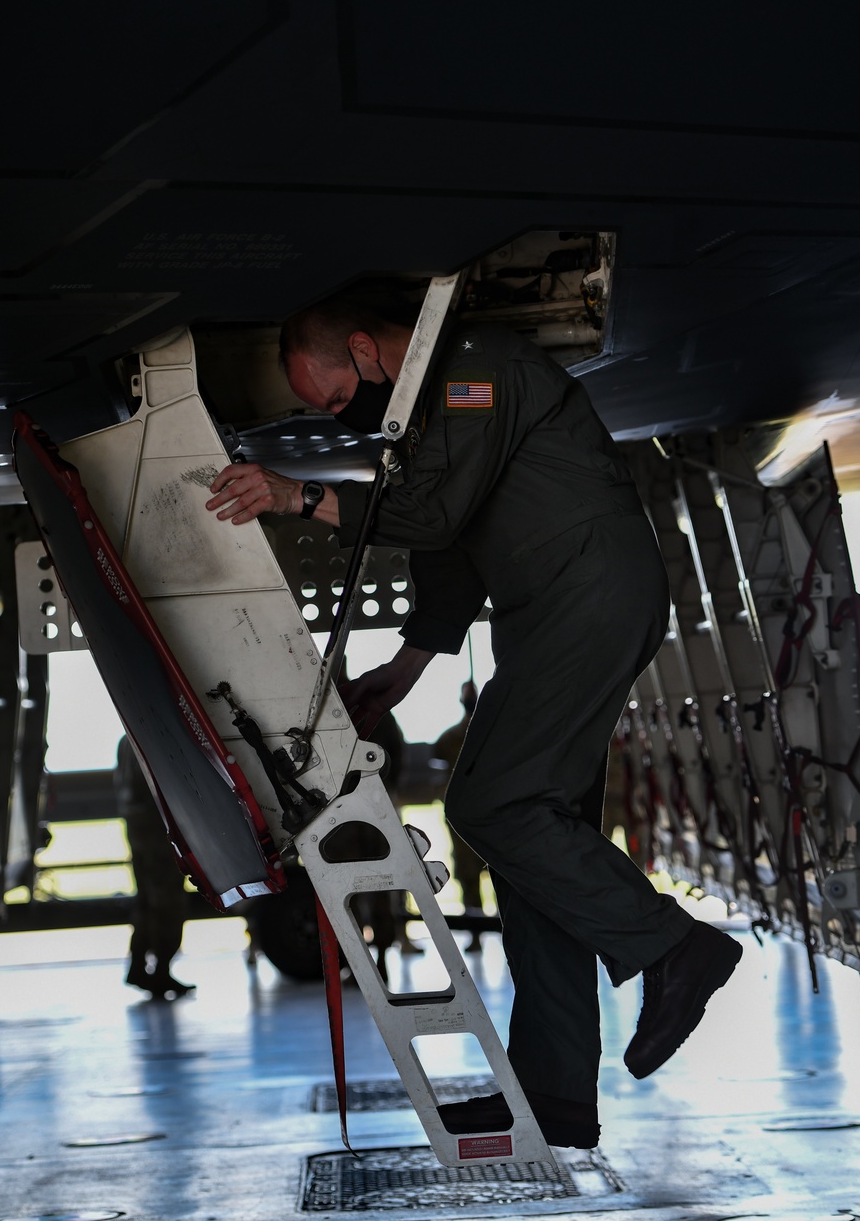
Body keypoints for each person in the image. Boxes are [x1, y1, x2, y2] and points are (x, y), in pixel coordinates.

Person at [204, 282, 742, 1148]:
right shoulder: (423, 418)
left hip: (589, 594)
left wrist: (297, 495)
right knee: (533, 838)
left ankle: (674, 947)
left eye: (340, 397)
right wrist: (408, 667)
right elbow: (447, 551)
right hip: (550, 610)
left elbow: (435, 514)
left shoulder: (473, 370)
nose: (343, 420)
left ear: (369, 352)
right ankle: (554, 1095)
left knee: (491, 803)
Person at [114, 738, 195, 1000]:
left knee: (148, 901)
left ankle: (140, 965)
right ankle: (160, 968)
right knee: (168, 901)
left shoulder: (127, 739)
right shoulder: (151, 734)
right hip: (157, 827)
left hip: (139, 826)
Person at [431, 680, 488, 951]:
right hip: (471, 816)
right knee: (469, 875)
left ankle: (488, 932)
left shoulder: (475, 732)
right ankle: (479, 932)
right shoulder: (466, 734)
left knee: (484, 875)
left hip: (480, 815)